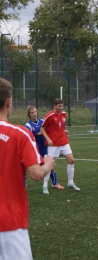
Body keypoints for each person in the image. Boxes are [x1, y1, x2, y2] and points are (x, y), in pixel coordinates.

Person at [0, 78, 55, 260]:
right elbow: (36, 174)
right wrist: (48, 164)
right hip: (9, 222)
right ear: (9, 103)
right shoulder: (19, 133)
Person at [40, 98, 80, 194]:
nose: (61, 108)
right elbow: (42, 128)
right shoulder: (49, 116)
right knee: (50, 164)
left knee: (71, 160)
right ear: (54, 106)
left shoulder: (64, 114)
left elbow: (61, 126)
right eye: (59, 106)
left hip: (63, 141)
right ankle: (45, 185)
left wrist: (64, 131)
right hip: (53, 143)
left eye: (62, 106)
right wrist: (48, 139)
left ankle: (70, 182)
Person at [25, 106, 64, 189]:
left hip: (44, 148)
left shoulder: (42, 122)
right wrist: (38, 134)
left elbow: (51, 132)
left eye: (35, 112)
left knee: (51, 165)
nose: (34, 114)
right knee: (28, 166)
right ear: (29, 114)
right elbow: (28, 137)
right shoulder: (28, 125)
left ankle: (55, 183)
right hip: (35, 150)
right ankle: (23, 183)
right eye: (32, 113)